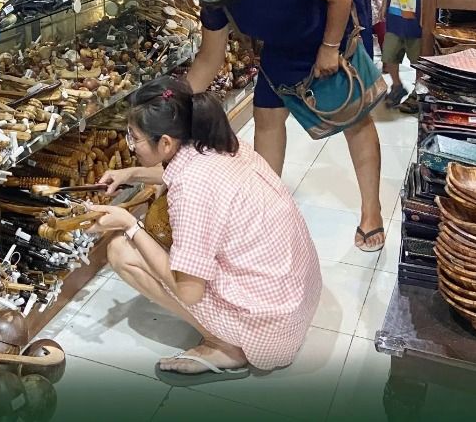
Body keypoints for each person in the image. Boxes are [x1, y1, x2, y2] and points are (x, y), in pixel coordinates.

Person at [166, 0, 386, 252]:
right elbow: (209, 59)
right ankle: (266, 208)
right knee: (266, 118)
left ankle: (372, 209)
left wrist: (329, 48)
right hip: (281, 47)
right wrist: (172, 101)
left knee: (354, 119)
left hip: (330, 34)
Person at [90, 77, 322, 382]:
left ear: (166, 143)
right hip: (297, 299)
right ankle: (228, 336)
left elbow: (189, 292)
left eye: (134, 138)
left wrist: (130, 225)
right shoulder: (220, 144)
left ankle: (225, 347)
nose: (131, 146)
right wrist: (131, 173)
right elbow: (175, 170)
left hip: (270, 333)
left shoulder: (191, 189)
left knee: (121, 250)